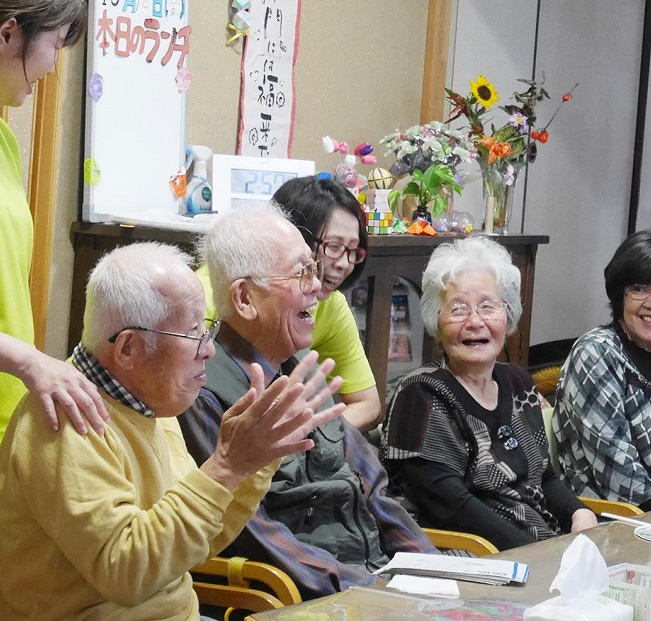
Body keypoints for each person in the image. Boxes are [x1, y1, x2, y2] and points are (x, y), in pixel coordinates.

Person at [0, 242, 343, 618]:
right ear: (129, 348)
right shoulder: (69, 418)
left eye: (207, 328)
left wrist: (253, 462)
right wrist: (225, 466)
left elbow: (194, 543)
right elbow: (127, 572)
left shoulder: (152, 402)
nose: (209, 351)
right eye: (193, 333)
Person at [179, 205, 437, 600]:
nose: (318, 286)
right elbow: (251, 531)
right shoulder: (203, 392)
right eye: (301, 273)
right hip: (307, 599)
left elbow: (376, 493)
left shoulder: (300, 371)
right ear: (245, 298)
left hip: (380, 586)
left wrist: (434, 574)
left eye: (313, 270)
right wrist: (369, 592)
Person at [380, 236, 597, 551]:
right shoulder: (422, 394)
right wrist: (538, 556)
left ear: (507, 315)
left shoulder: (518, 382)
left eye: (487, 307)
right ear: (436, 323)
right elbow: (451, 507)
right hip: (470, 556)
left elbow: (544, 477)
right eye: (458, 309)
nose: (475, 322)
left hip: (538, 546)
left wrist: (579, 513)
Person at [0, 0, 108, 440]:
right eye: (53, 44)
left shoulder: (4, 141)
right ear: (8, 33)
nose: (51, 66)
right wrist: (27, 359)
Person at [198, 176, 380, 432]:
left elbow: (367, 404)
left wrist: (314, 439)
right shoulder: (202, 301)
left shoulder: (331, 305)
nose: (344, 263)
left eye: (353, 251)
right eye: (335, 247)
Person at [553, 229, 651, 510]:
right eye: (639, 288)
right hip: (617, 523)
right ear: (620, 296)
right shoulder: (596, 354)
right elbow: (620, 478)